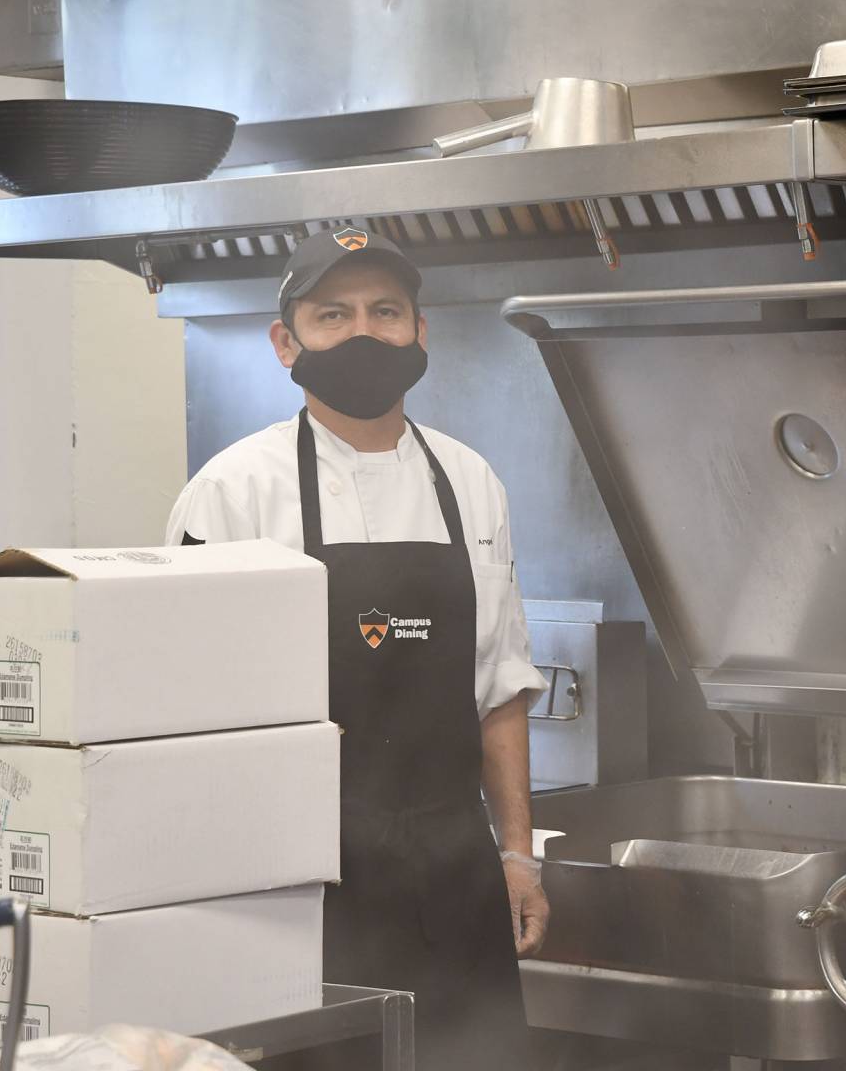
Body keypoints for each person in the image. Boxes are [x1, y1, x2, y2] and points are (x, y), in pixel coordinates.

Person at [165, 227, 548, 1067]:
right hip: (299, 886)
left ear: (421, 331)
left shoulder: (470, 481)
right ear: (286, 341)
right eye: (332, 314)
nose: (365, 332)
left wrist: (517, 854)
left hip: (454, 874)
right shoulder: (233, 492)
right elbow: (186, 723)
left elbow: (500, 692)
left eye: (387, 311)